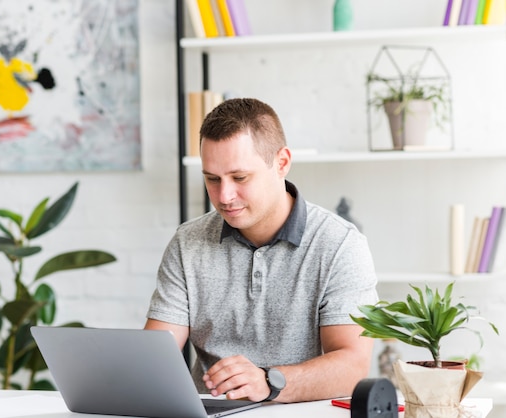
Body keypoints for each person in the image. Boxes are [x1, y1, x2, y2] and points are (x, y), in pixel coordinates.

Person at [144, 97, 378, 403]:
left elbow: (353, 366)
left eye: (240, 178)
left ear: (281, 163)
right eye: (212, 179)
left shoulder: (340, 244)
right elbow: (154, 355)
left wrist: (269, 381)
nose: (224, 196)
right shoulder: (188, 242)